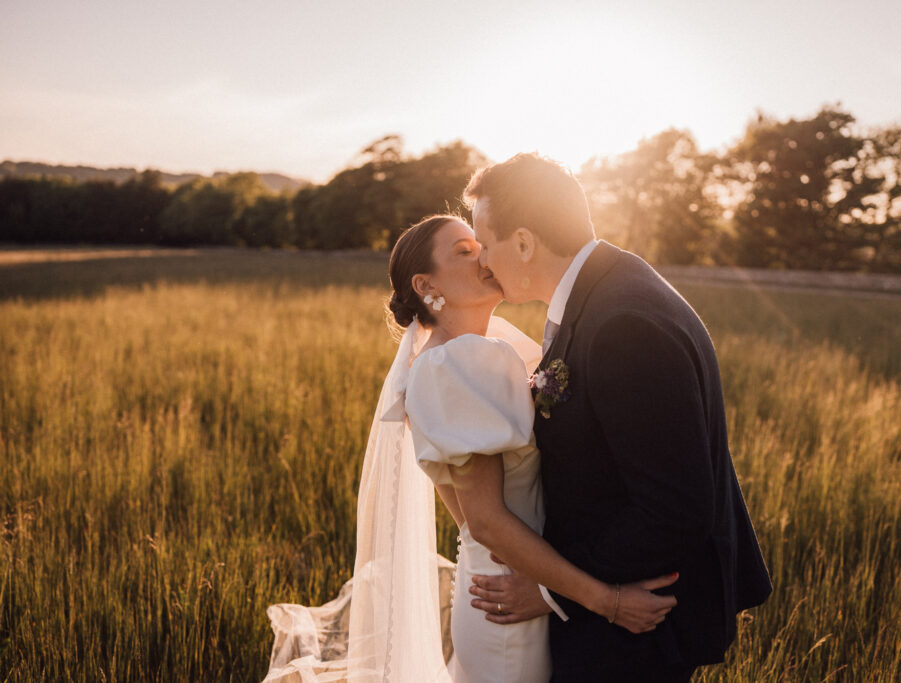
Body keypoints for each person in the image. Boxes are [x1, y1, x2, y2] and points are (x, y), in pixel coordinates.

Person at [264, 215, 676, 683]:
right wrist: (607, 601)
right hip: (508, 605)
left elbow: (466, 511)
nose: (482, 256)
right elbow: (484, 521)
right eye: (463, 251)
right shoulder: (454, 364)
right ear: (426, 285)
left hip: (510, 581)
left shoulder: (476, 349)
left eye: (479, 245)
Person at [462, 153, 773, 682]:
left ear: (524, 243)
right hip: (622, 615)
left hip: (639, 626)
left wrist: (554, 590)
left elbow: (673, 511)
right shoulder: (608, 287)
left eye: (486, 244)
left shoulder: (623, 324)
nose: (484, 263)